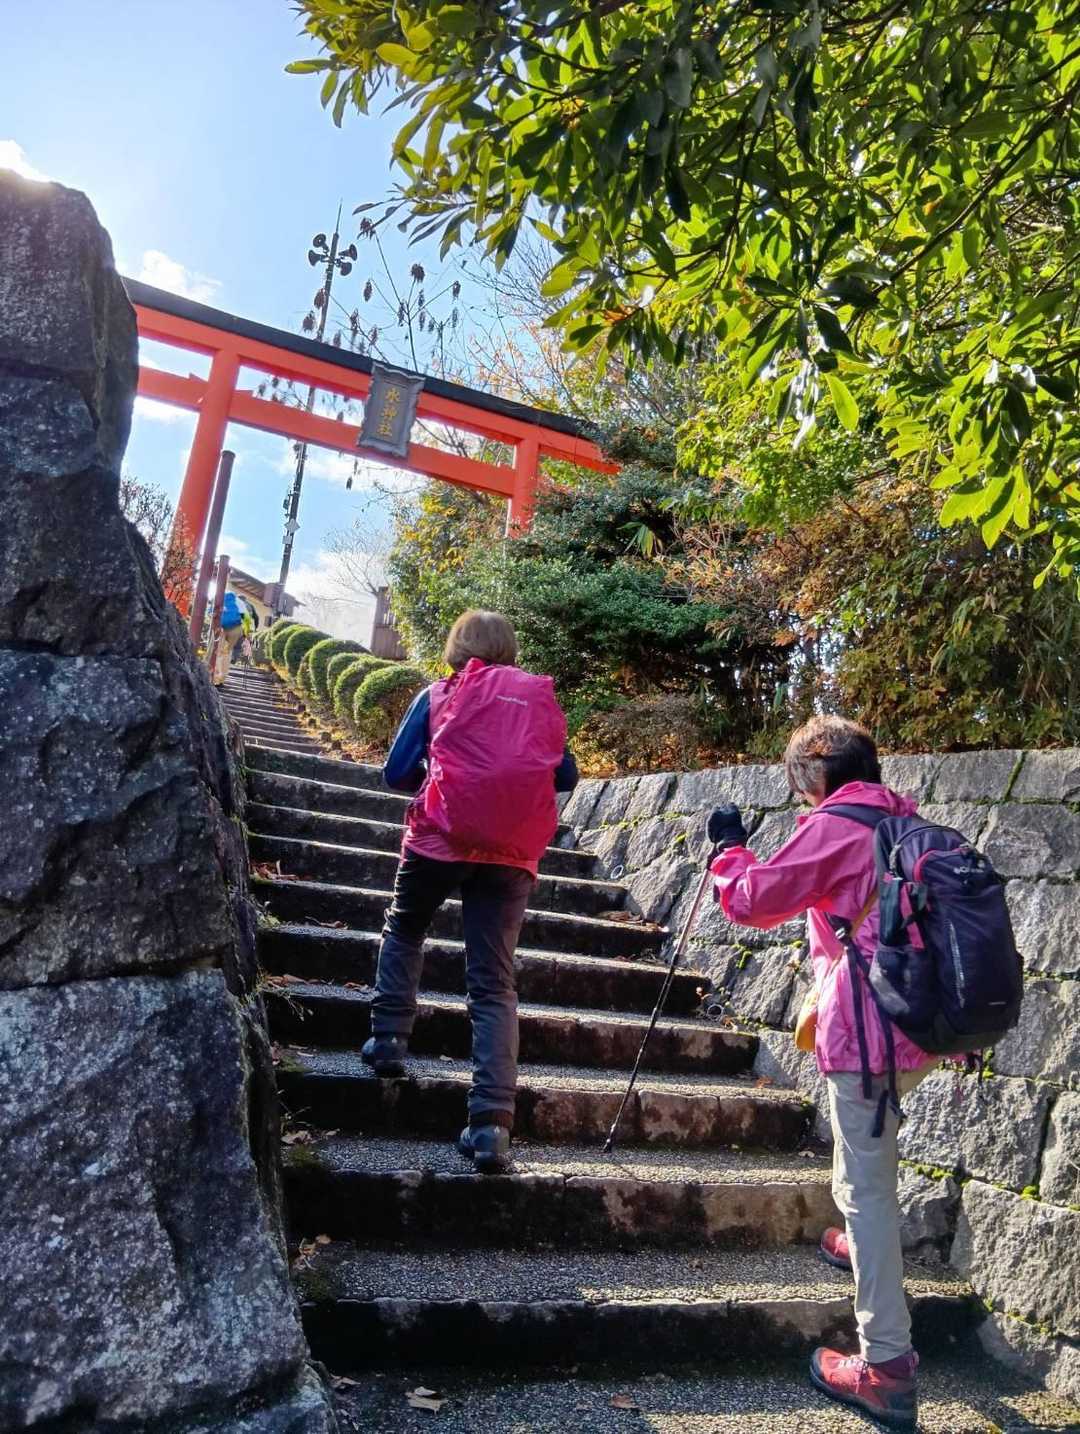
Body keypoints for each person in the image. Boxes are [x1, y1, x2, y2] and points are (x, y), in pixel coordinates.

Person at [708, 716, 935, 1432]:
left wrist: (728, 851)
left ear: (813, 773)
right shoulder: (906, 822)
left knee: (868, 1191)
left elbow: (751, 900)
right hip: (921, 1022)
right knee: (864, 1160)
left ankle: (887, 1368)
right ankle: (854, 1237)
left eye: (798, 779)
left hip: (869, 1027)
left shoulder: (837, 826)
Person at [361, 610, 578, 1174]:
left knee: (405, 926)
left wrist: (445, 781)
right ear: (510, 648)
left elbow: (395, 773)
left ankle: (388, 1042)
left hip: (438, 839)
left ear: (456, 648)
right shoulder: (536, 700)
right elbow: (566, 776)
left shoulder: (439, 693)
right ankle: (491, 1126)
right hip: (511, 855)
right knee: (493, 982)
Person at [212, 591, 246, 686]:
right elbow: (244, 618)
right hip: (234, 630)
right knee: (227, 653)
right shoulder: (240, 603)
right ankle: (221, 678)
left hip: (221, 628)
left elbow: (211, 612)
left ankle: (215, 676)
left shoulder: (220, 599)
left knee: (218, 652)